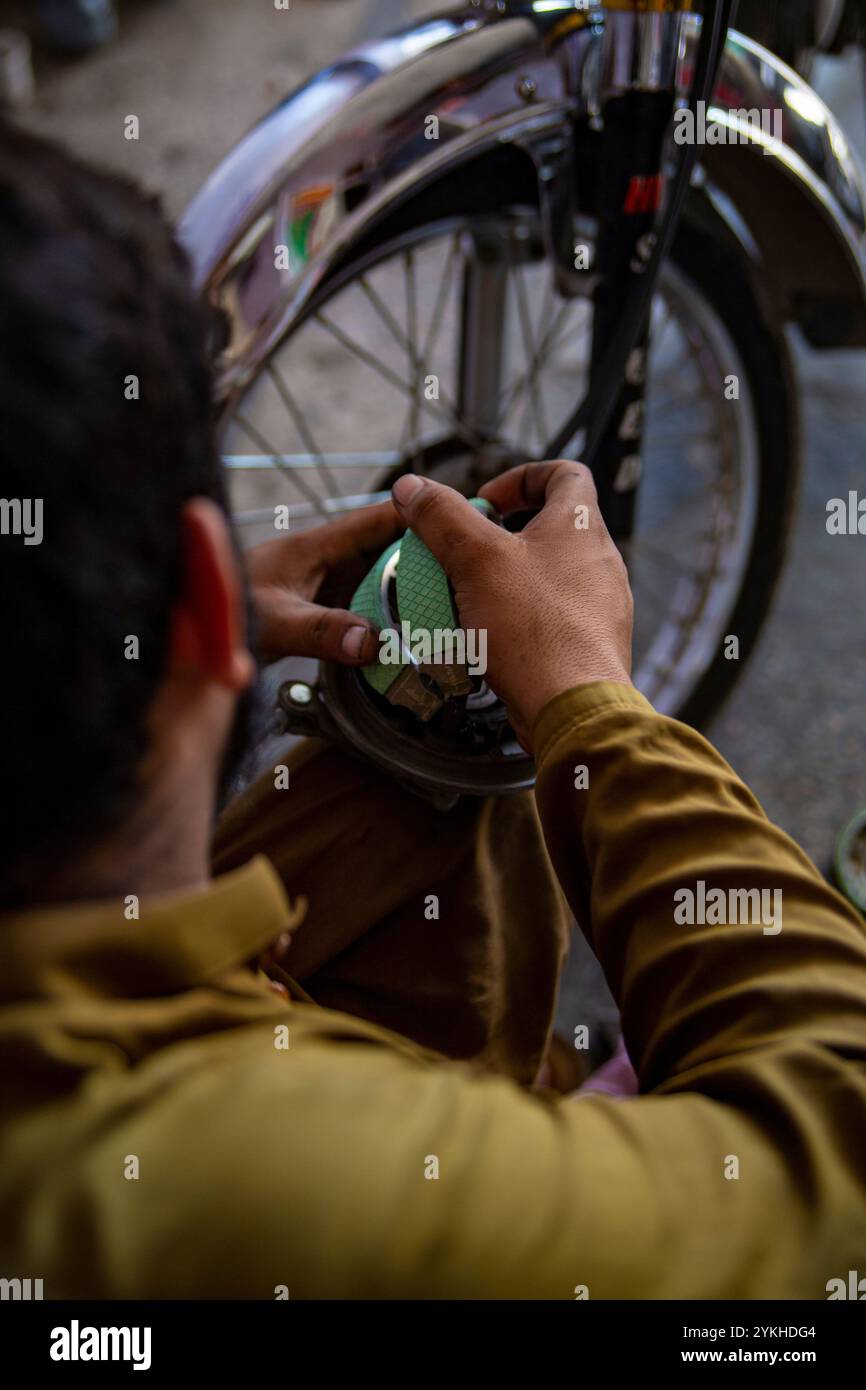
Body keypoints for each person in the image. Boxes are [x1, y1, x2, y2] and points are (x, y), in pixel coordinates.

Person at [1, 122, 865, 1301]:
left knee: (409, 779)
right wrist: (590, 703)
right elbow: (837, 1153)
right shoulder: (265, 1186)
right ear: (211, 593)